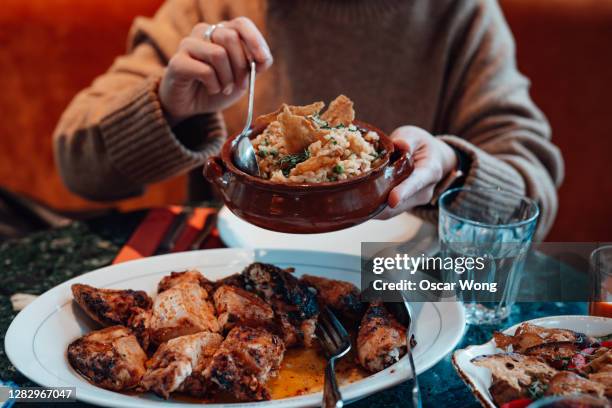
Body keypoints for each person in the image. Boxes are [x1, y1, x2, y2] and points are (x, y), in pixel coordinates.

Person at [53, 0, 563, 239]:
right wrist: (167, 107)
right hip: (239, 273)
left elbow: (530, 198)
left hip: (400, 283)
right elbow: (76, 165)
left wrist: (452, 169)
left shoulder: (461, 14)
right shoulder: (212, 8)